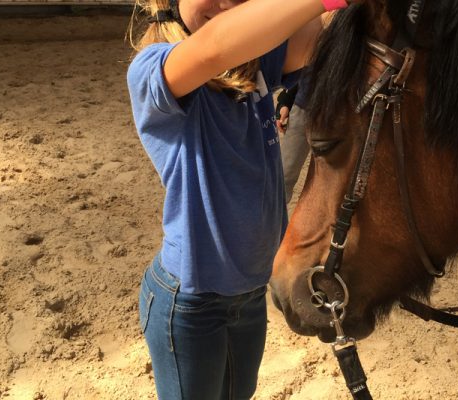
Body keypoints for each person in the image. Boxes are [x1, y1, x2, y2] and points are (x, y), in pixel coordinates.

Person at [126, 0, 354, 398]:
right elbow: (215, 45)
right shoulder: (152, 69)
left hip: (250, 292)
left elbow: (321, 33)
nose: (226, 1)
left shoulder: (253, 66)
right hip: (191, 302)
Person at [276, 83, 310, 204]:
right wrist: (286, 101)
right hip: (305, 108)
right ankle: (276, 220)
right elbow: (302, 67)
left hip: (348, 114)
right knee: (283, 177)